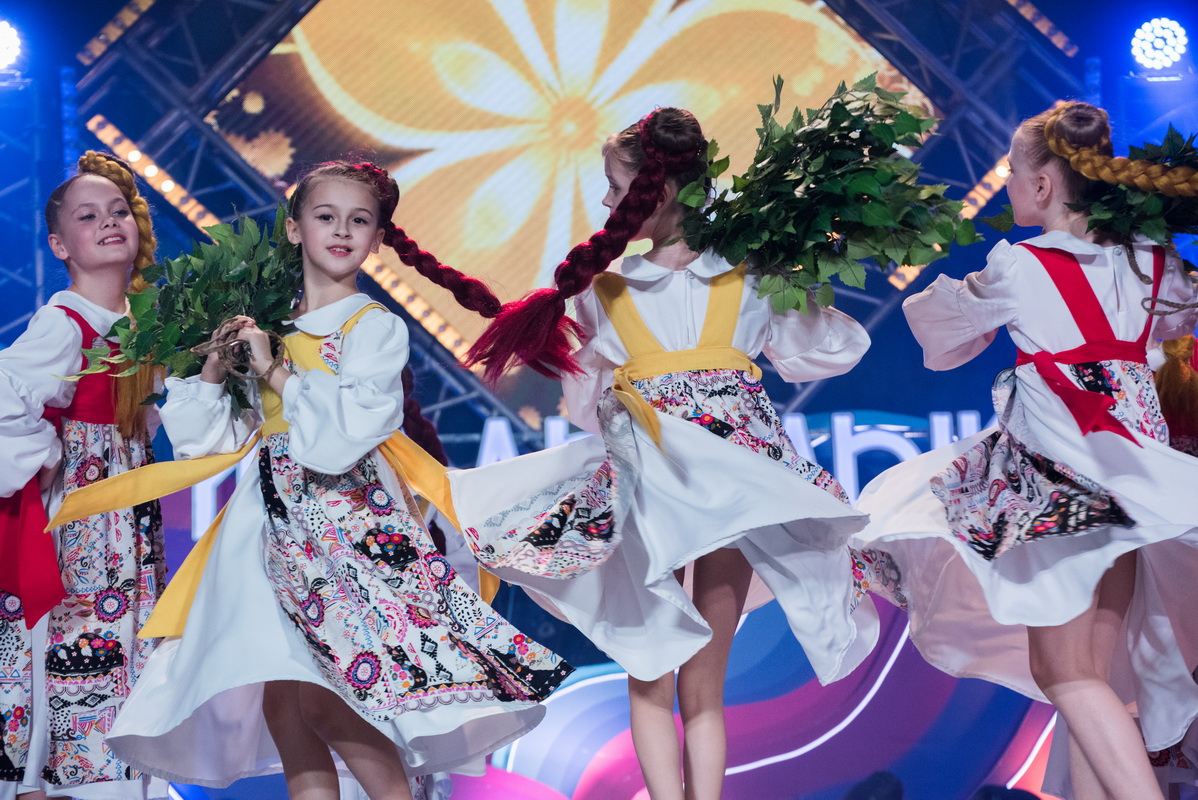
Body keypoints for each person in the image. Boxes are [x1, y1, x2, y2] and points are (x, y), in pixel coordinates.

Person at [81, 162, 572, 800]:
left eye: (358, 220)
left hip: (347, 524)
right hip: (267, 528)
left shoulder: (373, 327)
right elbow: (209, 444)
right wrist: (213, 370)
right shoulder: (267, 328)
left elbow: (344, 437)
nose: (341, 231)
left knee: (329, 699)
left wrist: (277, 373)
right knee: (284, 703)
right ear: (294, 229)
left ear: (377, 239)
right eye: (325, 217)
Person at [455, 108, 879, 800]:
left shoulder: (615, 291)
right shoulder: (728, 275)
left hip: (672, 488)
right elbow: (832, 348)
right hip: (725, 488)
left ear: (660, 189)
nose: (606, 203)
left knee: (655, 674)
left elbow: (584, 406)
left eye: (615, 187)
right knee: (695, 682)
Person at [852, 102, 1198, 799]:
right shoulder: (1152, 263)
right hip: (1133, 486)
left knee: (1065, 675)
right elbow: (1181, 317)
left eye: (1012, 171)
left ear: (1042, 185)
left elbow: (942, 335)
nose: (1007, 183)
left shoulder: (1019, 264)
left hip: (1061, 491)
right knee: (1089, 681)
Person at [0, 152, 164, 800]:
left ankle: (109, 775)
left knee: (121, 638)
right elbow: (7, 395)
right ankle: (54, 777)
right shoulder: (63, 322)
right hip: (81, 517)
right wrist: (50, 452)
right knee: (70, 639)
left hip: (127, 512)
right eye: (88, 216)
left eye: (118, 211)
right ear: (59, 245)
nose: (108, 222)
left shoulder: (142, 328)